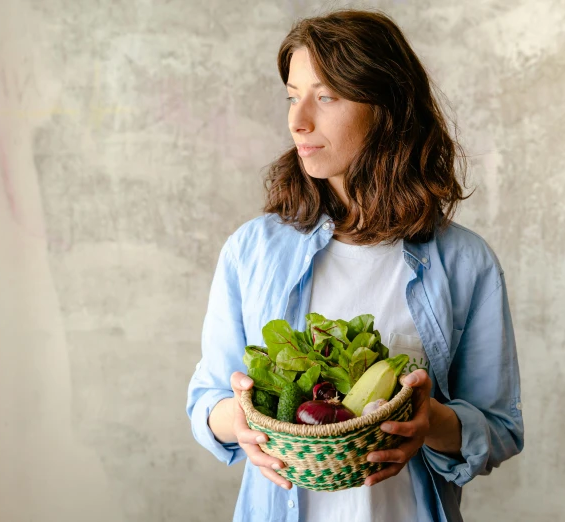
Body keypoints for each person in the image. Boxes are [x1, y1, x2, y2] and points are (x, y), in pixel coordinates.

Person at [186, 8, 524, 522]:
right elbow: (207, 402)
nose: (299, 120)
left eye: (326, 97)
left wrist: (427, 421)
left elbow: (500, 428)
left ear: (386, 106)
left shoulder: (465, 261)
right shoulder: (250, 251)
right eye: (292, 96)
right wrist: (243, 422)